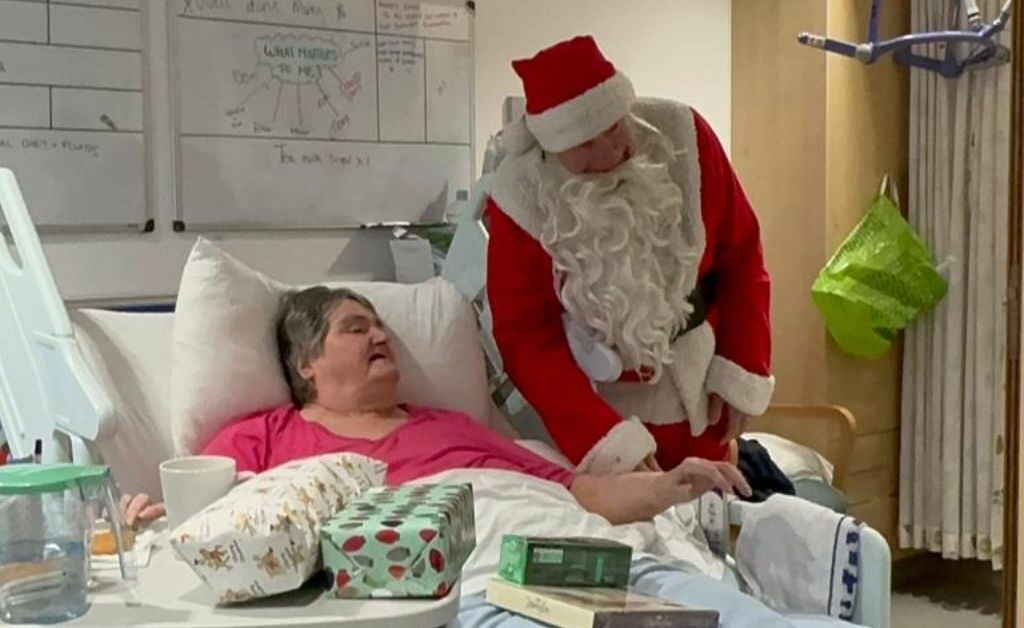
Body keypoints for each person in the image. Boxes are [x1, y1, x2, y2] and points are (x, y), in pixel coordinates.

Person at [123, 287, 861, 628]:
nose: (381, 338)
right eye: (357, 329)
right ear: (307, 362)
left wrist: (670, 487)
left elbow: (581, 496)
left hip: (593, 563)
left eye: (383, 326)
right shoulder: (268, 438)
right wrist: (145, 522)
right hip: (478, 592)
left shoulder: (453, 426)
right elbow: (215, 527)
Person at [486, 35, 773, 475]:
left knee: (712, 520)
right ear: (550, 146)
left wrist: (741, 372)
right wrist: (607, 443)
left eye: (615, 127)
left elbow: (742, 256)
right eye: (583, 146)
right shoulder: (518, 199)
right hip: (602, 411)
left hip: (702, 398)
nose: (611, 154)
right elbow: (526, 340)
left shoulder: (683, 138)